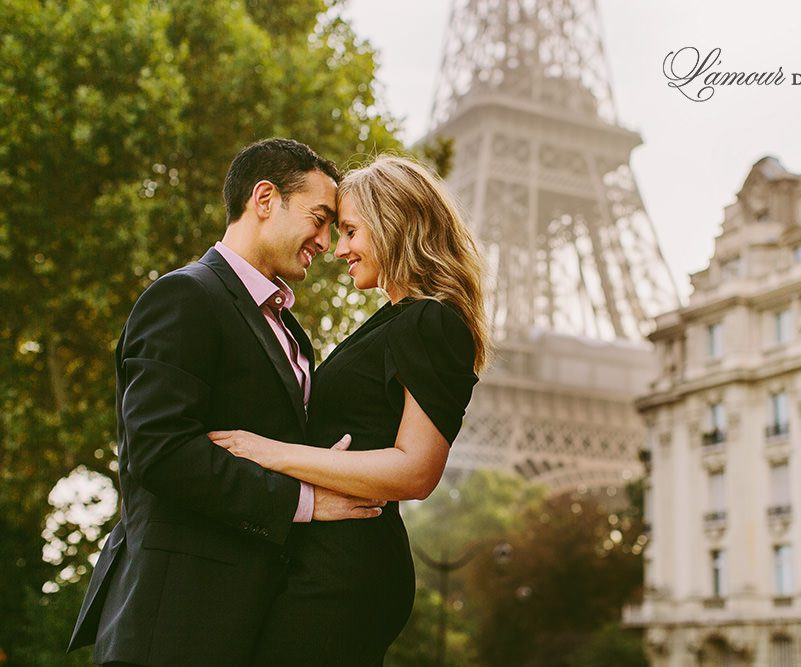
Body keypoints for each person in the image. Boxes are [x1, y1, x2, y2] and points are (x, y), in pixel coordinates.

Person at [68, 138, 386, 666]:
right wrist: (304, 502)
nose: (327, 242)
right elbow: (159, 451)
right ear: (264, 200)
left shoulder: (290, 332)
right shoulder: (185, 296)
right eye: (320, 218)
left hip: (249, 625)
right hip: (174, 626)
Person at [208, 155, 491, 665]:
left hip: (346, 572)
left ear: (393, 226)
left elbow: (416, 470)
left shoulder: (429, 321)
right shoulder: (398, 320)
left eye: (350, 231)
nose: (338, 249)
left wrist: (270, 453)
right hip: (328, 561)